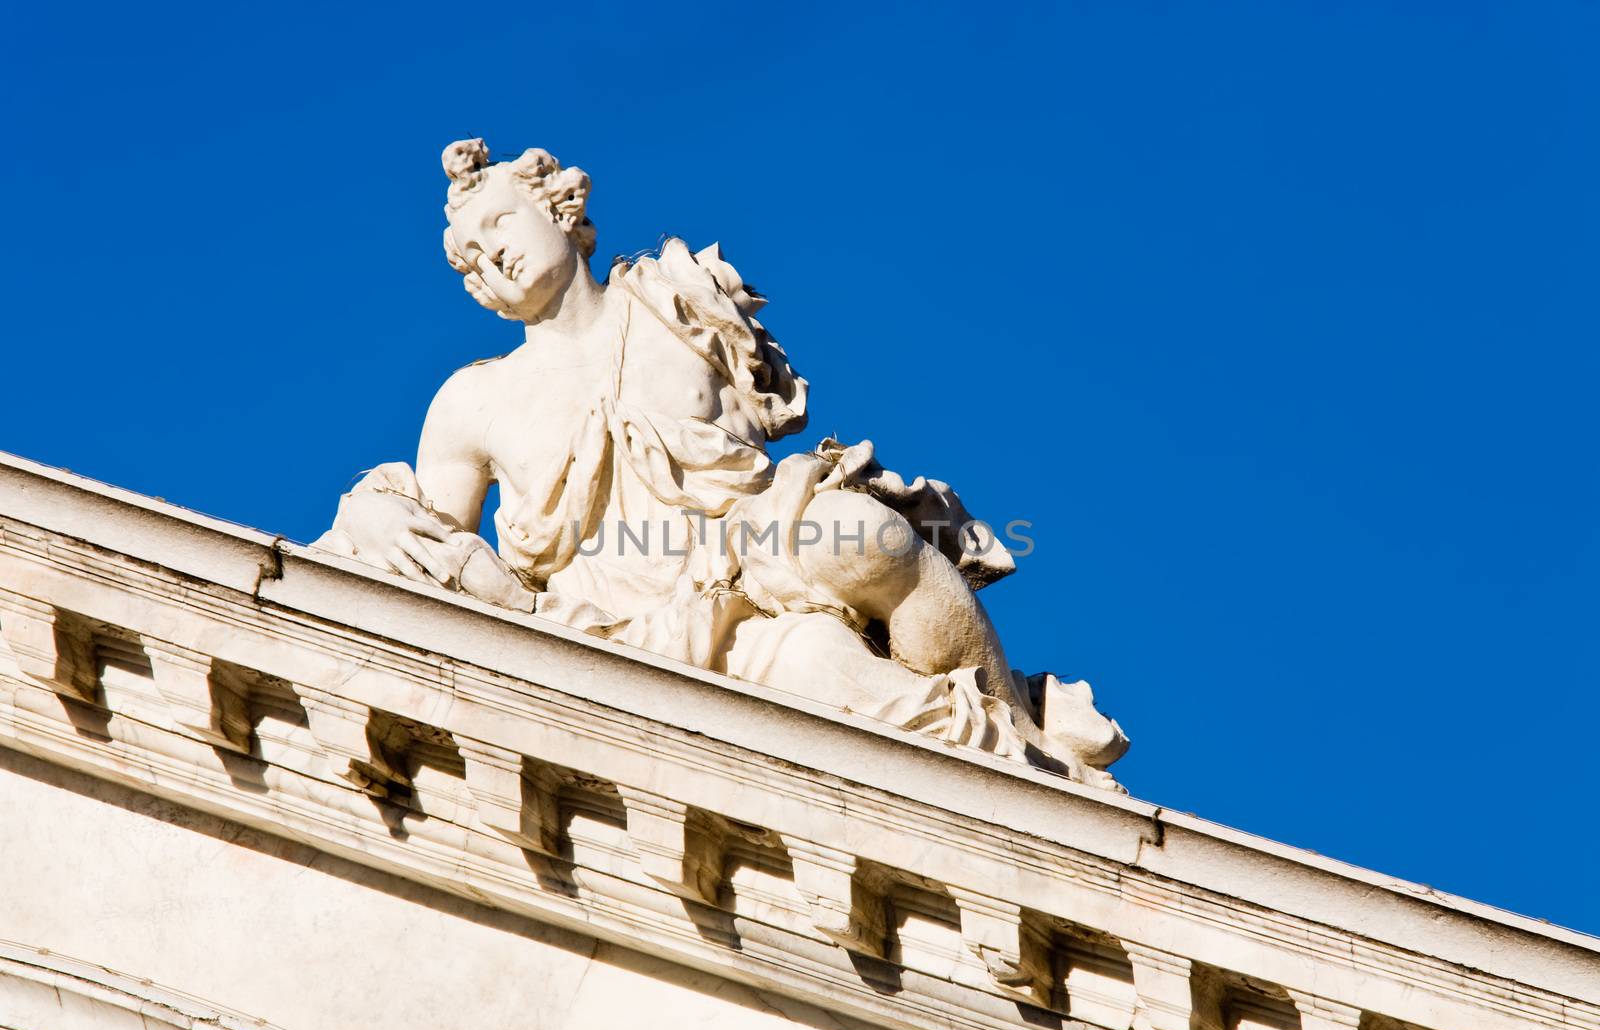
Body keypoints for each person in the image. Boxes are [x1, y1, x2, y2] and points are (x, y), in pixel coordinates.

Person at [315, 139, 1127, 787]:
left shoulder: (676, 302)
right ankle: (989, 753)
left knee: (861, 537)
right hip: (605, 623)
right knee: (822, 667)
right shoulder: (471, 400)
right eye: (470, 262)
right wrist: (374, 509)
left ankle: (1021, 729)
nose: (492, 261)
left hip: (745, 548)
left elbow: (762, 421)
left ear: (560, 210)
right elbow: (423, 542)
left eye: (500, 230)